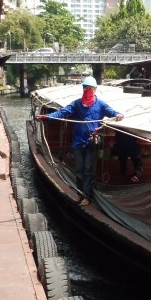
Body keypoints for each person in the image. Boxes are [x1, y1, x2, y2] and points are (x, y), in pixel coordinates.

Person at [37, 76, 124, 206]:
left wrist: (118, 115)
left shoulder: (101, 104)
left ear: (94, 90)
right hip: (78, 143)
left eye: (89, 88)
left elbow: (113, 112)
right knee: (79, 169)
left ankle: (87, 195)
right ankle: (80, 192)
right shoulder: (76, 104)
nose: (87, 90)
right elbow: (62, 113)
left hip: (91, 143)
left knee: (88, 169)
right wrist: (47, 117)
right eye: (85, 88)